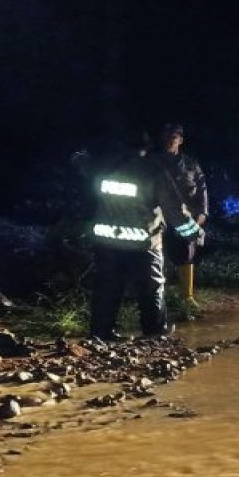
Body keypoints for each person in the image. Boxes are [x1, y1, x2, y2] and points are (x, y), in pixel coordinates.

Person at [83, 130, 202, 340]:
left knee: (107, 287)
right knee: (151, 287)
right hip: (142, 242)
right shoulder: (152, 171)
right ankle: (154, 333)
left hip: (106, 240)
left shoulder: (105, 168)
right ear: (147, 148)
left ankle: (100, 334)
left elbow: (87, 183)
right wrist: (195, 233)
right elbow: (174, 209)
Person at [153, 124, 209, 305]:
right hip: (159, 218)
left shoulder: (191, 164)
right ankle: (159, 296)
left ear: (180, 140)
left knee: (186, 254)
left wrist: (202, 213)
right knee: (158, 255)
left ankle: (187, 297)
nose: (168, 140)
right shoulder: (152, 163)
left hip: (185, 218)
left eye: (172, 137)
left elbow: (201, 188)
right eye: (165, 137)